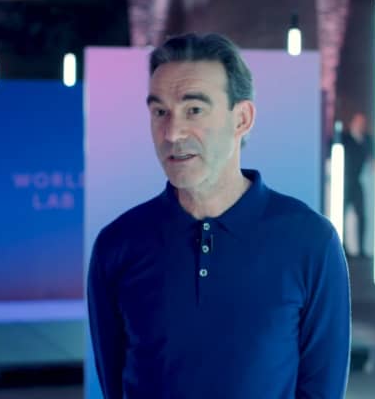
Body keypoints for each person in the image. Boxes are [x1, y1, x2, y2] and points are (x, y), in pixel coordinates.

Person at [88, 33, 351, 399]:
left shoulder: (310, 241)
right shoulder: (118, 245)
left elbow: (323, 389)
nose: (172, 133)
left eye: (194, 110)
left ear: (242, 118)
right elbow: (113, 384)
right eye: (160, 112)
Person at [341, 112, 372, 259]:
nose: (361, 126)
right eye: (359, 122)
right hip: (345, 181)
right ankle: (342, 247)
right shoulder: (345, 138)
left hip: (356, 181)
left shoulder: (366, 140)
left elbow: (369, 156)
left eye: (363, 123)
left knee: (362, 215)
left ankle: (361, 249)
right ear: (353, 123)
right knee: (341, 215)